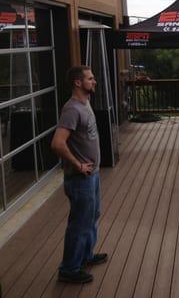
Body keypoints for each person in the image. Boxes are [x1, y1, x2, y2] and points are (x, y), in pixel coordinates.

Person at [51, 66, 107, 284]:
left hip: (92, 175)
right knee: (79, 223)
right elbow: (57, 144)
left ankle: (86, 255)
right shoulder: (72, 109)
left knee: (92, 216)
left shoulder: (85, 102)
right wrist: (77, 164)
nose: (94, 82)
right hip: (80, 179)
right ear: (77, 83)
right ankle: (69, 269)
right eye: (90, 79)